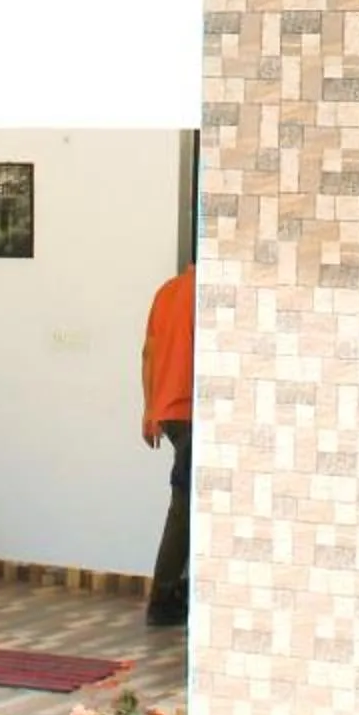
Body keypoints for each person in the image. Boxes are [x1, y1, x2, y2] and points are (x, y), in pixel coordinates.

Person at [139, 262, 194, 629]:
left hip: (170, 414)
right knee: (184, 507)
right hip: (195, 411)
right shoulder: (213, 293)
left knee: (186, 504)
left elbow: (148, 352)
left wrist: (149, 410)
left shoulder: (167, 292)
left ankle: (173, 591)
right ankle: (163, 597)